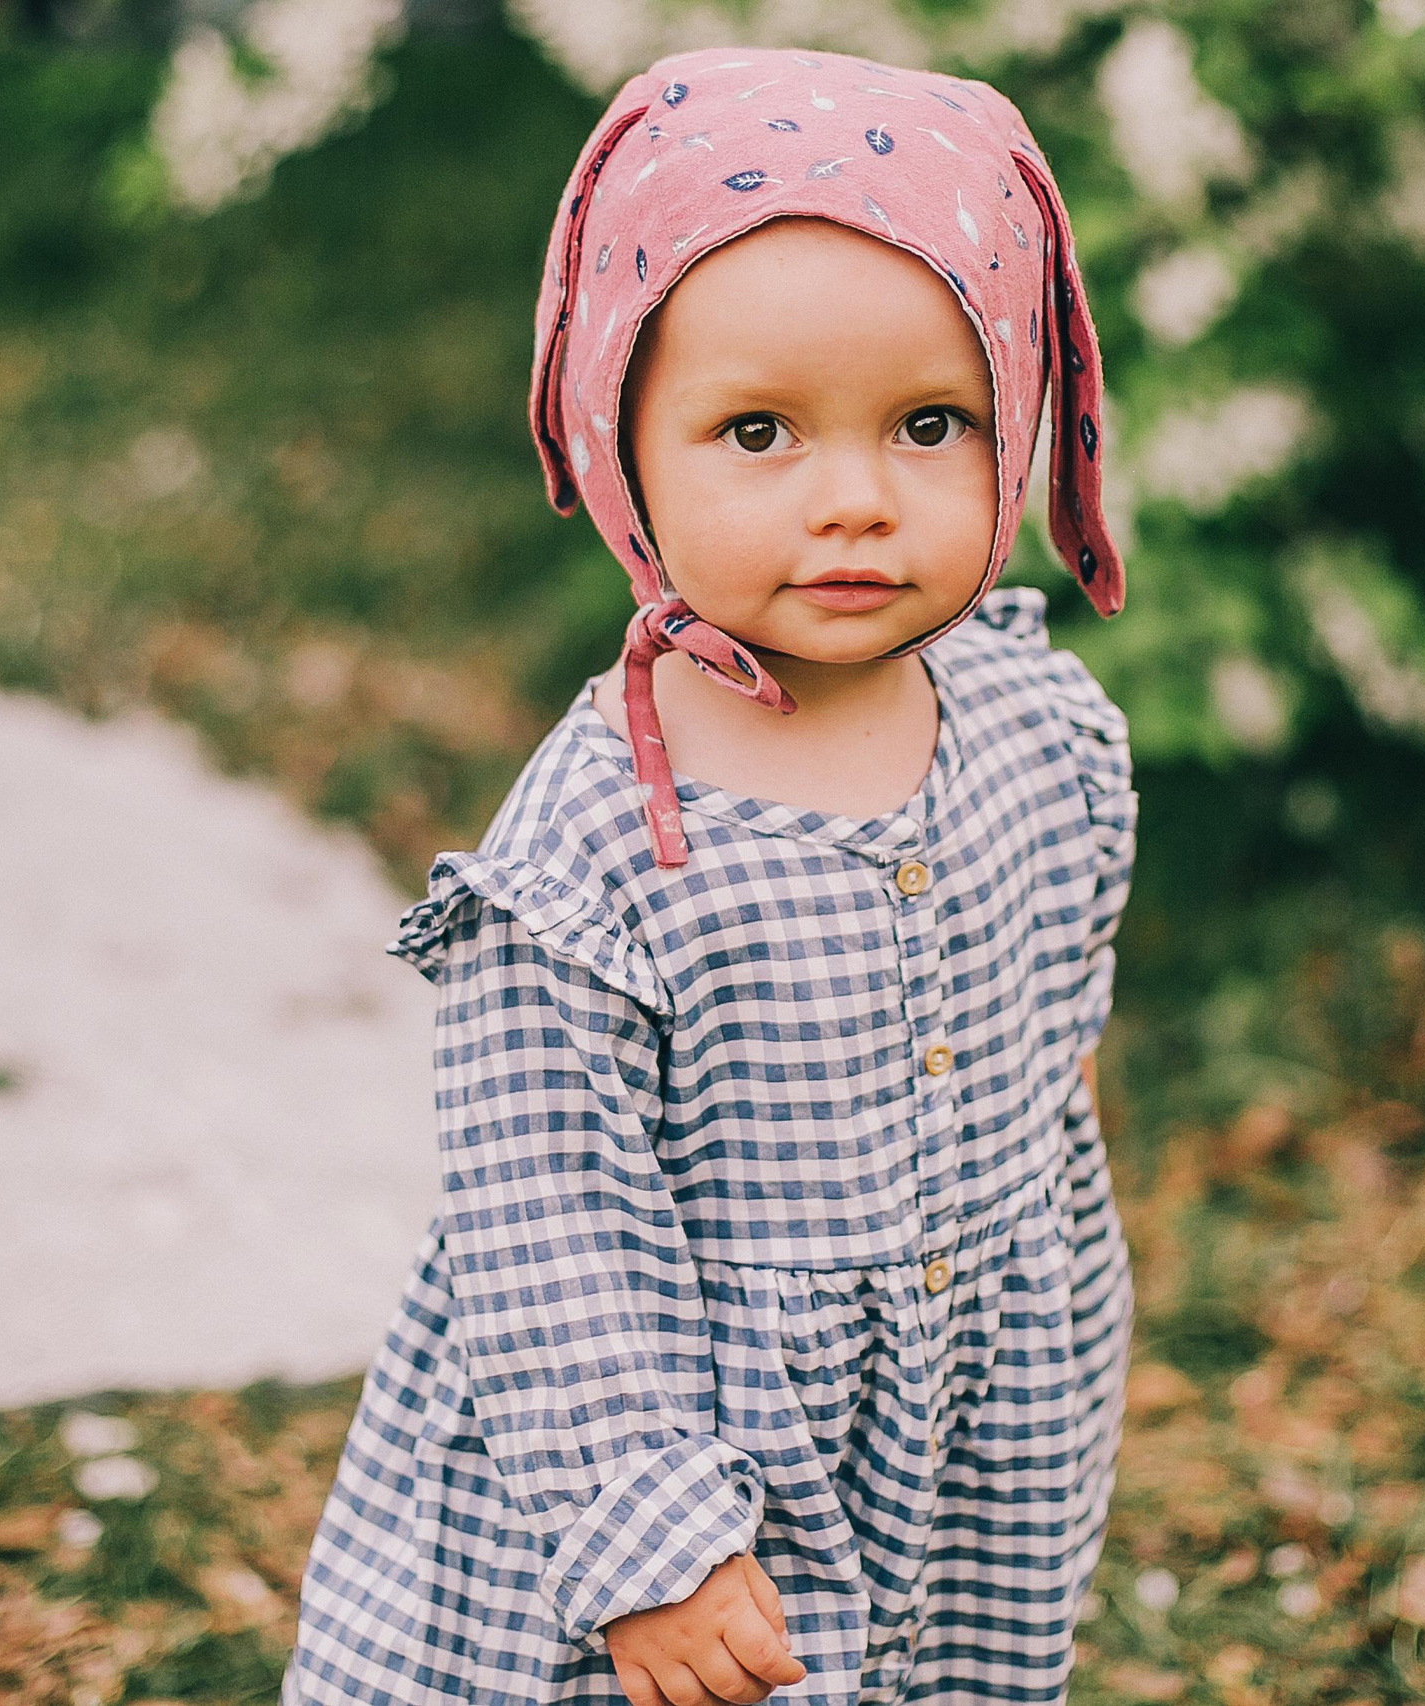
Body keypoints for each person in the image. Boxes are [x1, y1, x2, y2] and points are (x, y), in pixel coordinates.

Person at [282, 45, 1136, 1706]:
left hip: (970, 1443)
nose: (854, 501)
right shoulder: (595, 845)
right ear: (623, 440)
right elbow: (542, 1236)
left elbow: (1052, 1067)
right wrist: (647, 1537)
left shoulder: (1045, 733)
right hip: (679, 1463)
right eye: (757, 430)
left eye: (930, 425)